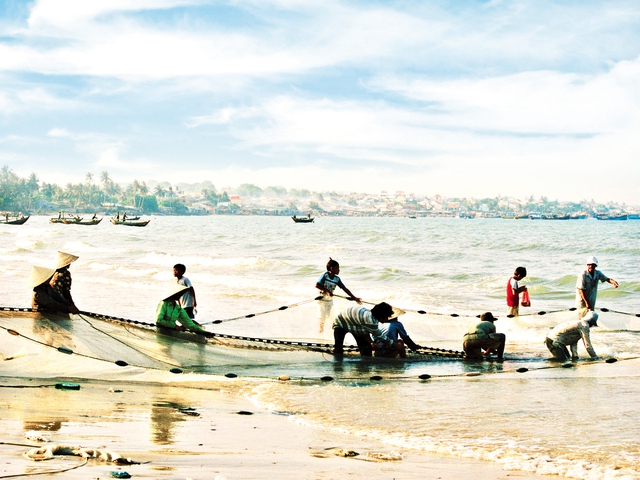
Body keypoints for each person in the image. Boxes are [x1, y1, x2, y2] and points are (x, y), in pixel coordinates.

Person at [332, 302, 398, 357]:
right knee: (338, 346)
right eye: (386, 317)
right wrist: (395, 345)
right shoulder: (370, 321)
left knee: (366, 349)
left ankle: (364, 362)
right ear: (381, 316)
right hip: (340, 323)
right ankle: (338, 364)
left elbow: (364, 331)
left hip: (355, 324)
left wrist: (371, 343)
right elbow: (380, 336)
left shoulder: (371, 316)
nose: (387, 319)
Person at [315, 258, 361, 333]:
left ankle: (331, 334)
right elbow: (317, 285)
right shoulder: (325, 275)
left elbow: (345, 289)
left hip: (329, 300)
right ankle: (320, 332)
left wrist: (354, 297)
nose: (339, 270)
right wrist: (327, 291)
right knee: (322, 318)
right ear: (331, 268)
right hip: (321, 300)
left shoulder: (337, 279)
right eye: (337, 268)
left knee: (331, 318)